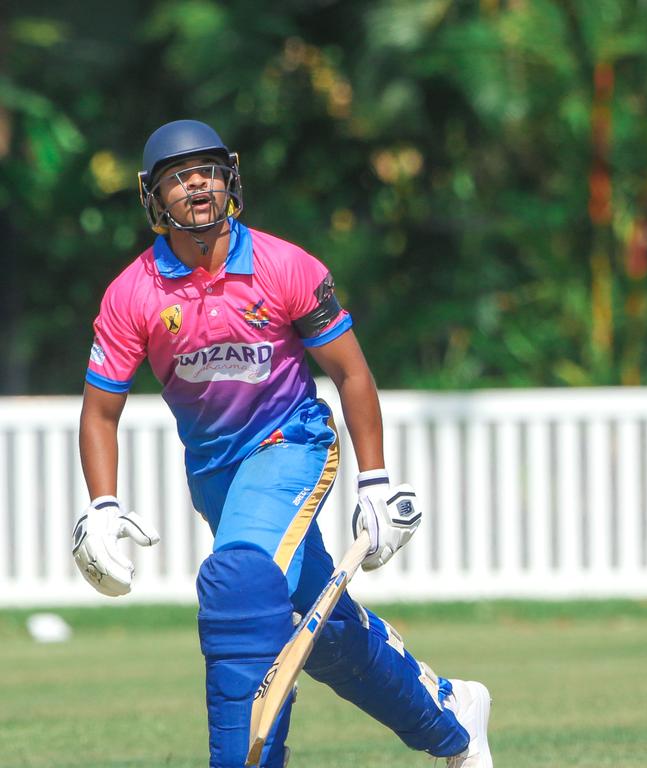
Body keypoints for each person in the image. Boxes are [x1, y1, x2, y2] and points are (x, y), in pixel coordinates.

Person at [71, 119, 492, 768]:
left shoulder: (283, 266)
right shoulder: (134, 294)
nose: (198, 186)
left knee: (240, 583)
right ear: (153, 197)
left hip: (293, 442)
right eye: (179, 178)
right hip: (216, 473)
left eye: (207, 170)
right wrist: (100, 506)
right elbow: (101, 412)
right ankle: (451, 717)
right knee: (316, 630)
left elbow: (351, 373)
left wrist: (375, 483)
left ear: (230, 177)